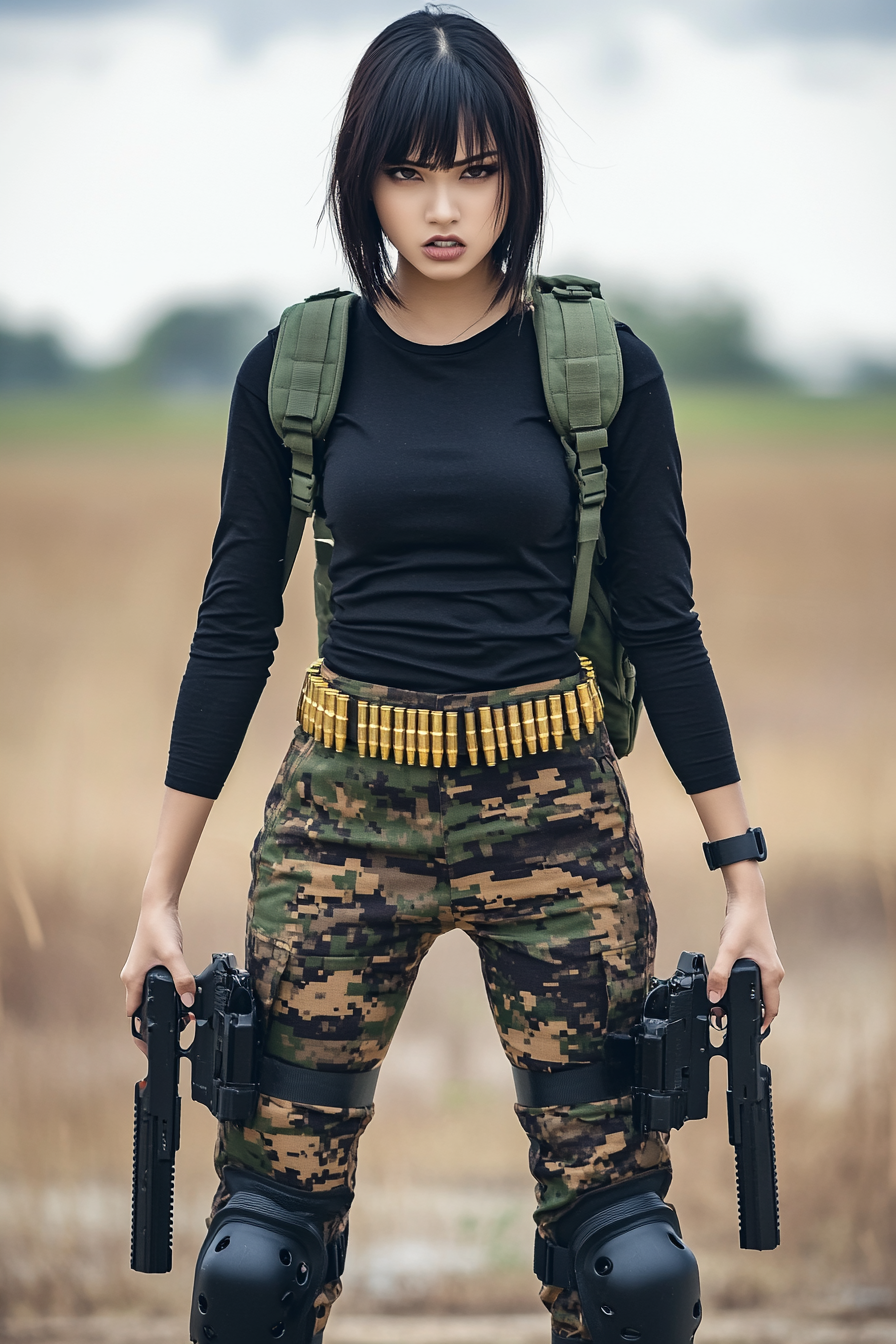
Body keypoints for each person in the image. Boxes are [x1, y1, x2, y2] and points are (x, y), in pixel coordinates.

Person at [121, 9, 784, 1343]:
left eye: (475, 171)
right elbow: (232, 626)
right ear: (362, 179)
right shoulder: (298, 369)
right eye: (410, 171)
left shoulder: (602, 370)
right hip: (338, 820)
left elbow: (666, 622)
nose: (441, 206)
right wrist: (157, 893)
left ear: (517, 180)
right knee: (255, 1268)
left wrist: (745, 881)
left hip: (558, 817)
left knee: (631, 1273)